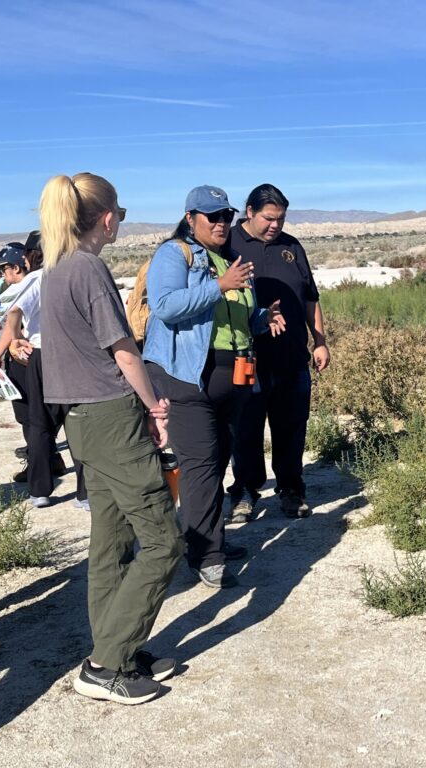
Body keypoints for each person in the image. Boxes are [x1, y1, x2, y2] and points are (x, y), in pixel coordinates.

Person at [38, 172, 181, 705]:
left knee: (112, 542)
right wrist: (154, 407)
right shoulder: (89, 268)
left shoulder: (54, 268)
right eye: (119, 211)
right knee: (164, 541)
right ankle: (106, 664)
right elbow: (122, 350)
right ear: (105, 217)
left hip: (81, 422)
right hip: (112, 418)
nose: (121, 219)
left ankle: (117, 647)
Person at [143, 185, 285, 589]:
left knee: (219, 458)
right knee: (201, 468)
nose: (222, 223)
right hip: (190, 378)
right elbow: (166, 305)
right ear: (191, 219)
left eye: (226, 216)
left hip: (235, 377)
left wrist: (261, 318)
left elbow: (233, 320)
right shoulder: (175, 254)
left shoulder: (227, 260)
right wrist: (219, 287)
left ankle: (207, 540)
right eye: (212, 216)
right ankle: (208, 556)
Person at [227, 184, 329, 521]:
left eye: (281, 219)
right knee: (245, 428)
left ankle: (290, 489)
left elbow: (310, 297)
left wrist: (320, 341)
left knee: (291, 426)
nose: (275, 225)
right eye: (269, 218)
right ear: (249, 211)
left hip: (291, 357)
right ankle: (245, 490)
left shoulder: (292, 246)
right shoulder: (227, 243)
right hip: (247, 357)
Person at [0, 231, 81, 508]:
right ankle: (87, 492)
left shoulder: (35, 278)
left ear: (29, 257)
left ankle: (40, 488)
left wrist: (12, 340)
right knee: (77, 424)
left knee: (40, 424)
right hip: (74, 355)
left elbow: (15, 312)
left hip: (41, 354)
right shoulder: (75, 272)